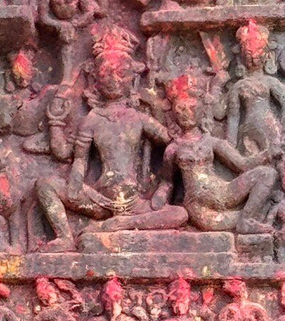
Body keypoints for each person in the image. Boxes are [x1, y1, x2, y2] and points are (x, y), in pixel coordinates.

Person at [35, 26, 187, 251]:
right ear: (95, 79)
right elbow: (72, 157)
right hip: (99, 199)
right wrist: (55, 122)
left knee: (180, 213)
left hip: (133, 202)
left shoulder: (138, 118)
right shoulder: (92, 120)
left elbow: (173, 146)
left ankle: (121, 224)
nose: (114, 80)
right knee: (45, 185)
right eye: (106, 73)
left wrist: (166, 183)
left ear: (132, 78)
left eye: (121, 73)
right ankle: (65, 237)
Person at [153, 76, 278, 235]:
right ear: (173, 114)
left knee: (267, 174)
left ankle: (246, 219)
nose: (185, 114)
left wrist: (267, 154)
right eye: (180, 109)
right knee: (232, 220)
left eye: (191, 108)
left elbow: (242, 164)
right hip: (199, 206)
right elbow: (167, 182)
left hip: (224, 192)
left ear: (201, 111)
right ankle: (248, 218)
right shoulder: (173, 149)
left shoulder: (212, 142)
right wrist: (159, 198)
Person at [225, 22, 285, 155]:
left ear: (268, 55)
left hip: (271, 128)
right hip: (249, 132)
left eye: (259, 51)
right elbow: (233, 119)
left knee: (275, 157)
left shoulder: (270, 82)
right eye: (249, 52)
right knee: (253, 159)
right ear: (241, 55)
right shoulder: (238, 87)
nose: (254, 56)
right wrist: (230, 149)